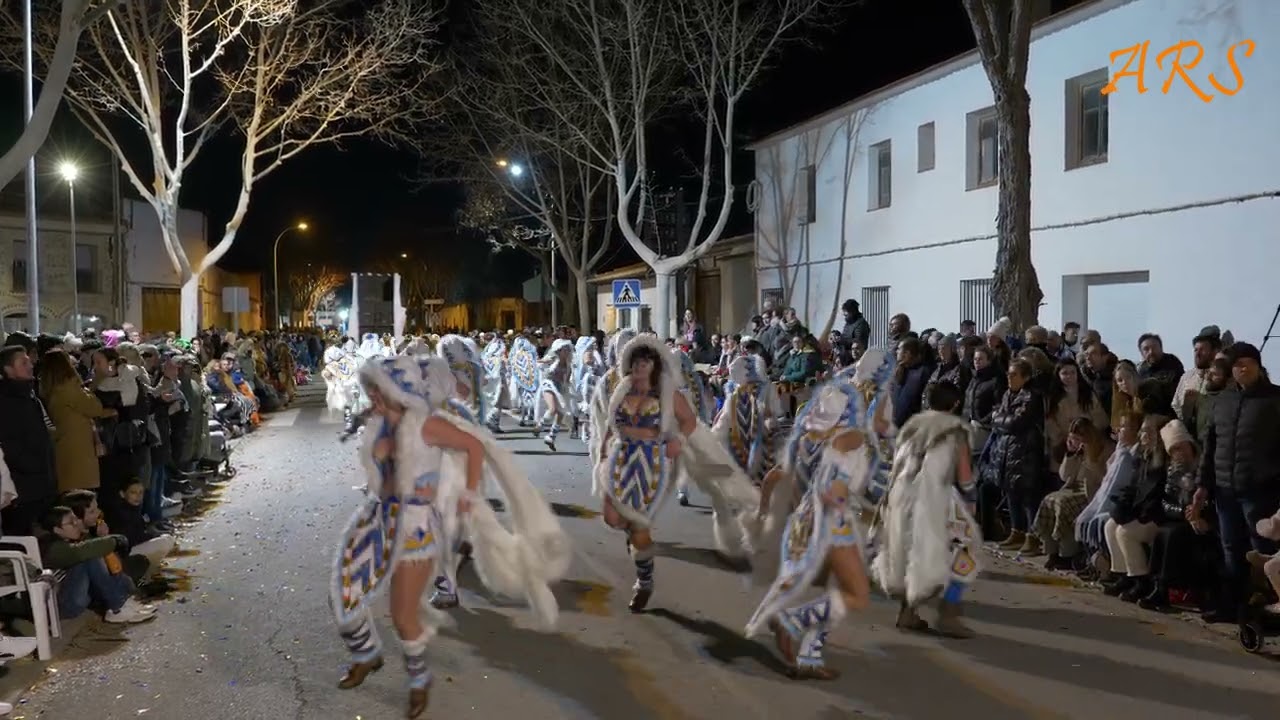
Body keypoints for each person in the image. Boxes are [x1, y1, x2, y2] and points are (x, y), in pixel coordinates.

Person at [329, 355, 569, 718]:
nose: (373, 397)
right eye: (372, 390)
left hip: (415, 527)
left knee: (402, 614)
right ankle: (366, 654)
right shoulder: (378, 423)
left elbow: (474, 447)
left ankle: (418, 679)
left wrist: (469, 495)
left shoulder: (427, 425)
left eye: (380, 391)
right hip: (378, 518)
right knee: (343, 590)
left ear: (398, 392)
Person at [594, 335, 756, 612]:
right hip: (620, 458)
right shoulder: (622, 389)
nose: (640, 366)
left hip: (651, 462)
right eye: (635, 361)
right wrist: (602, 453)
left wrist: (677, 441)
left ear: (655, 364)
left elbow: (689, 421)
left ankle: (644, 582)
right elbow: (610, 422)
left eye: (645, 361)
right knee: (611, 518)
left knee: (638, 523)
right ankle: (636, 541)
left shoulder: (667, 393)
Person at [746, 372, 874, 679]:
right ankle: (793, 624)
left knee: (825, 586)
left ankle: (806, 652)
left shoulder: (806, 440)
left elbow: (775, 474)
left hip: (805, 518)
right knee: (851, 593)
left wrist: (764, 508)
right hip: (829, 522)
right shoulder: (851, 441)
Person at [872, 381, 980, 638]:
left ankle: (907, 612)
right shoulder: (956, 430)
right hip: (934, 498)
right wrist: (971, 501)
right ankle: (949, 612)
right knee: (967, 549)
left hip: (901, 497)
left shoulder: (911, 426)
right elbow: (965, 477)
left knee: (911, 552)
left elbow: (896, 464)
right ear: (955, 404)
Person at [712, 354, 782, 486]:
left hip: (759, 432)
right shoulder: (733, 388)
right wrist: (718, 421)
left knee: (758, 465)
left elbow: (774, 410)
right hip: (737, 431)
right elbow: (727, 410)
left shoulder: (766, 387)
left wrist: (770, 418)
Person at [535, 339, 574, 451]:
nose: (567, 352)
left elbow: (566, 381)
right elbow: (540, 363)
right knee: (552, 409)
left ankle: (551, 437)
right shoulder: (552, 360)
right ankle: (540, 426)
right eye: (564, 350)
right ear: (559, 351)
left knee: (561, 413)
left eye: (568, 350)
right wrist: (541, 363)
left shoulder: (568, 366)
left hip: (559, 388)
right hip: (548, 385)